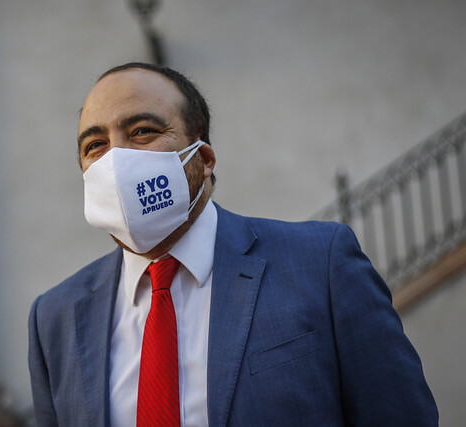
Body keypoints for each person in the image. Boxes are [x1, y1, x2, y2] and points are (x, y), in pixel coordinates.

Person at [28, 62, 438, 426]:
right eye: (95, 145)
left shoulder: (321, 263)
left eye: (143, 132)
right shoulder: (55, 318)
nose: (116, 160)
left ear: (203, 158)